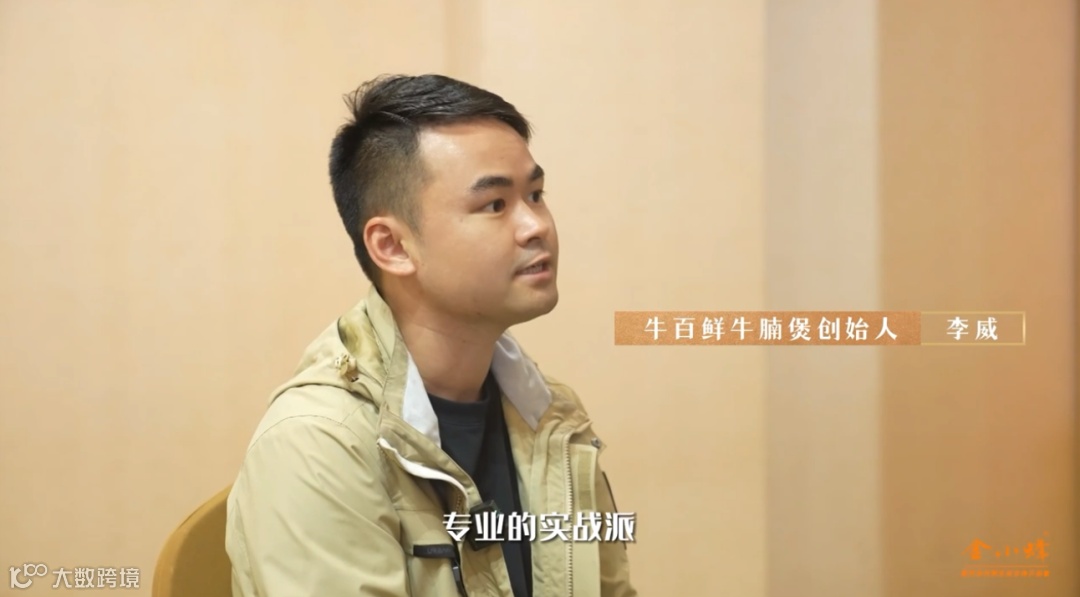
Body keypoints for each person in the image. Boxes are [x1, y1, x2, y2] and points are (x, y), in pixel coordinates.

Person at [224, 74, 637, 597]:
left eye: (535, 194)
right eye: (495, 205)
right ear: (392, 246)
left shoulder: (549, 414)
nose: (536, 225)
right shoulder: (315, 446)